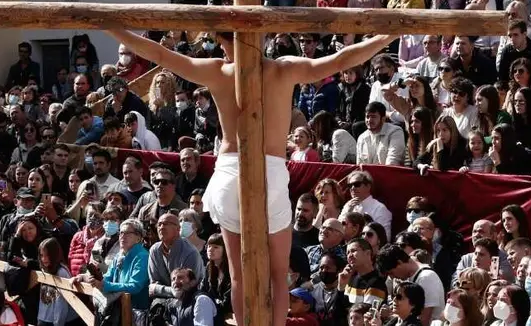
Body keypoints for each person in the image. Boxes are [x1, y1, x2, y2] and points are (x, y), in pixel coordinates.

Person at [105, 28, 395, 326]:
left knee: (239, 275)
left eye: (222, 42)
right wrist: (384, 38)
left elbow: (161, 54)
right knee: (278, 276)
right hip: (263, 169)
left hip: (230, 172)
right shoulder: (282, 68)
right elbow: (341, 59)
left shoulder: (218, 70)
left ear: (225, 41)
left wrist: (112, 29)